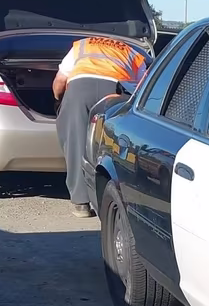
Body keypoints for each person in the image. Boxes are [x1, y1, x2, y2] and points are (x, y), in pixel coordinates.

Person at [52, 36, 149, 217]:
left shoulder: (81, 46)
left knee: (75, 141)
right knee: (113, 143)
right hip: (115, 90)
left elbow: (59, 81)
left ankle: (81, 203)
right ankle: (114, 200)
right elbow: (143, 86)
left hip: (80, 88)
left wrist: (59, 101)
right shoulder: (133, 53)